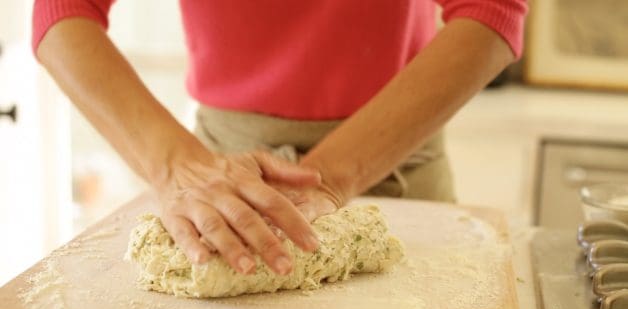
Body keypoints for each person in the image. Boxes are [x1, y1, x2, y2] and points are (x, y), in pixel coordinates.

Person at [32, 0, 527, 276]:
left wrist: (331, 178)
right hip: (220, 182)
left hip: (393, 161)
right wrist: (176, 168)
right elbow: (61, 11)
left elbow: (492, 10)